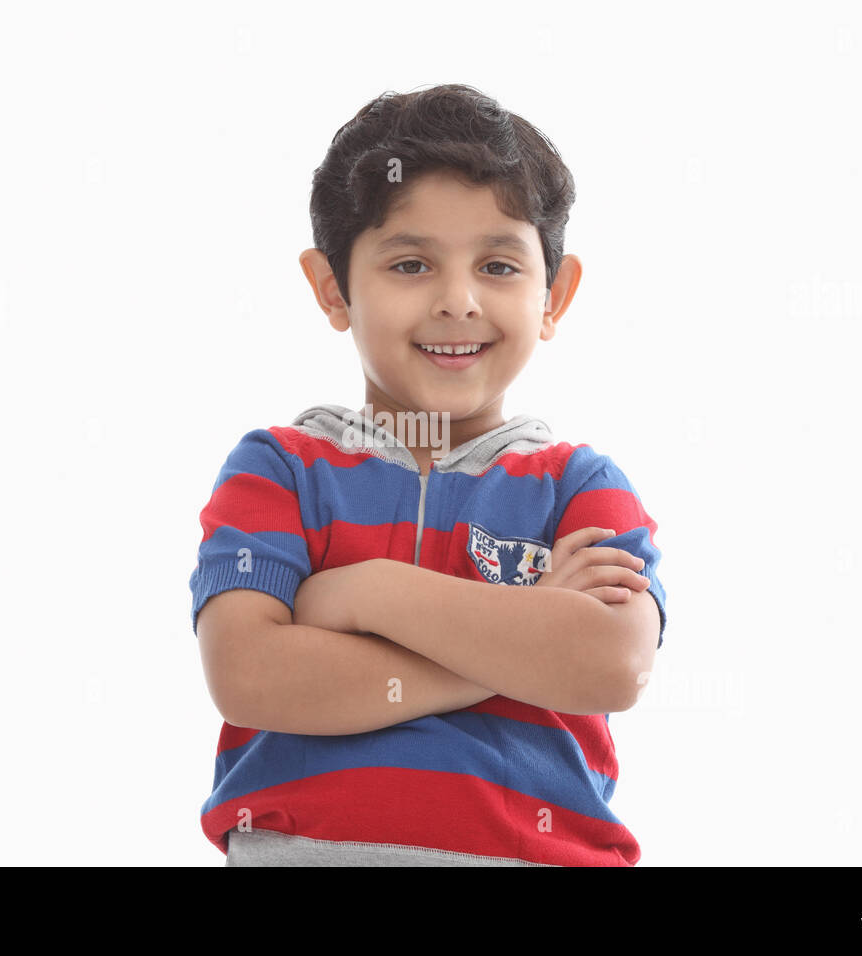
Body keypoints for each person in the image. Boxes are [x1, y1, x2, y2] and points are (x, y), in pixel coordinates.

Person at [188, 83, 667, 866]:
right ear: (333, 288)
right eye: (411, 263)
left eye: (500, 265)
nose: (458, 301)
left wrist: (365, 592)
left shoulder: (582, 486)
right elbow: (252, 674)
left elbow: (611, 663)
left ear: (556, 295)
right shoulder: (278, 471)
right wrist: (521, 636)